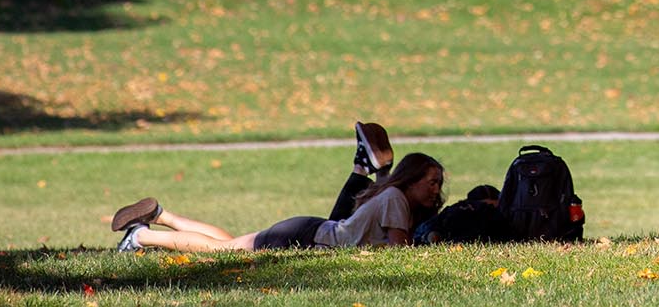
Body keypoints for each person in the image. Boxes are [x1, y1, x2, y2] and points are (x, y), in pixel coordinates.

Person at [110, 123, 443, 252]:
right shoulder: (396, 200)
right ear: (410, 179)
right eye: (431, 182)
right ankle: (141, 236)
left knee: (229, 242)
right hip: (303, 236)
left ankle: (161, 214)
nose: (435, 190)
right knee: (221, 253)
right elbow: (400, 253)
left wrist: (377, 169)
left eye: (439, 184)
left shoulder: (389, 194)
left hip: (307, 229)